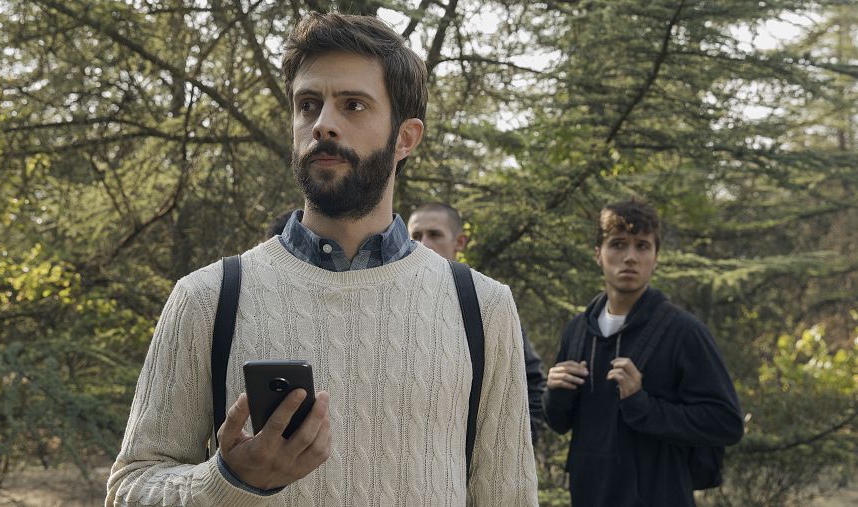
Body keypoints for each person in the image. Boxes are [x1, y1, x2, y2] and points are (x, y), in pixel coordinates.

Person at [106, 12, 538, 506]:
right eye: (308, 105)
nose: (323, 125)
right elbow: (130, 487)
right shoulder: (209, 297)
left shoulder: (481, 308)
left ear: (406, 137)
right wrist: (227, 482)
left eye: (353, 105)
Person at [543, 199, 743, 507]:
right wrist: (554, 393)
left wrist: (642, 404)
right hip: (588, 496)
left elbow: (726, 423)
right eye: (618, 245)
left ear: (655, 257)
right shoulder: (578, 329)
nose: (630, 258)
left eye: (642, 247)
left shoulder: (683, 332)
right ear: (599, 254)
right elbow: (560, 422)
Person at [407, 202, 547, 442]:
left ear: (459, 242)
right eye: (416, 236)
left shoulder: (485, 304)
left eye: (435, 235)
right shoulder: (397, 304)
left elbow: (531, 386)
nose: (424, 244)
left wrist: (509, 449)